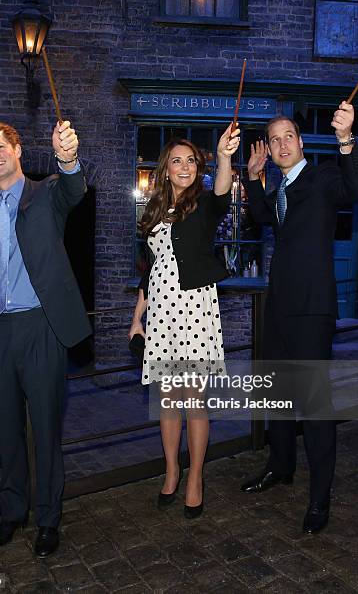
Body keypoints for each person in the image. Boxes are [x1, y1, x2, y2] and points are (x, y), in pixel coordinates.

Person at [0, 119, 91, 556]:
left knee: (47, 428)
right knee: (5, 429)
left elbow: (76, 189)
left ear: (16, 150)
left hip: (40, 327)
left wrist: (67, 157)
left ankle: (48, 519)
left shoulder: (47, 193)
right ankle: (12, 513)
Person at [241, 101, 358, 533]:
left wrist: (346, 139)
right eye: (273, 140)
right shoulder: (278, 187)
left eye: (287, 136)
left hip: (312, 308)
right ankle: (281, 466)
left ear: (299, 140)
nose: (280, 144)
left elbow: (357, 189)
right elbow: (259, 217)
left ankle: (319, 498)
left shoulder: (323, 177)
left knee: (314, 405)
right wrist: (253, 175)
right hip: (278, 305)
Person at [129, 124, 240, 518]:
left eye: (191, 160)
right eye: (176, 160)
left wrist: (224, 157)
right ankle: (171, 472)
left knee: (192, 398)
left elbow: (224, 190)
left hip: (194, 308)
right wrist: (137, 319)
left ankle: (196, 477)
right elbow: (150, 270)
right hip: (160, 312)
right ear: (165, 169)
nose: (184, 166)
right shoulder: (155, 208)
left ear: (198, 167)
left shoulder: (206, 204)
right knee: (167, 399)